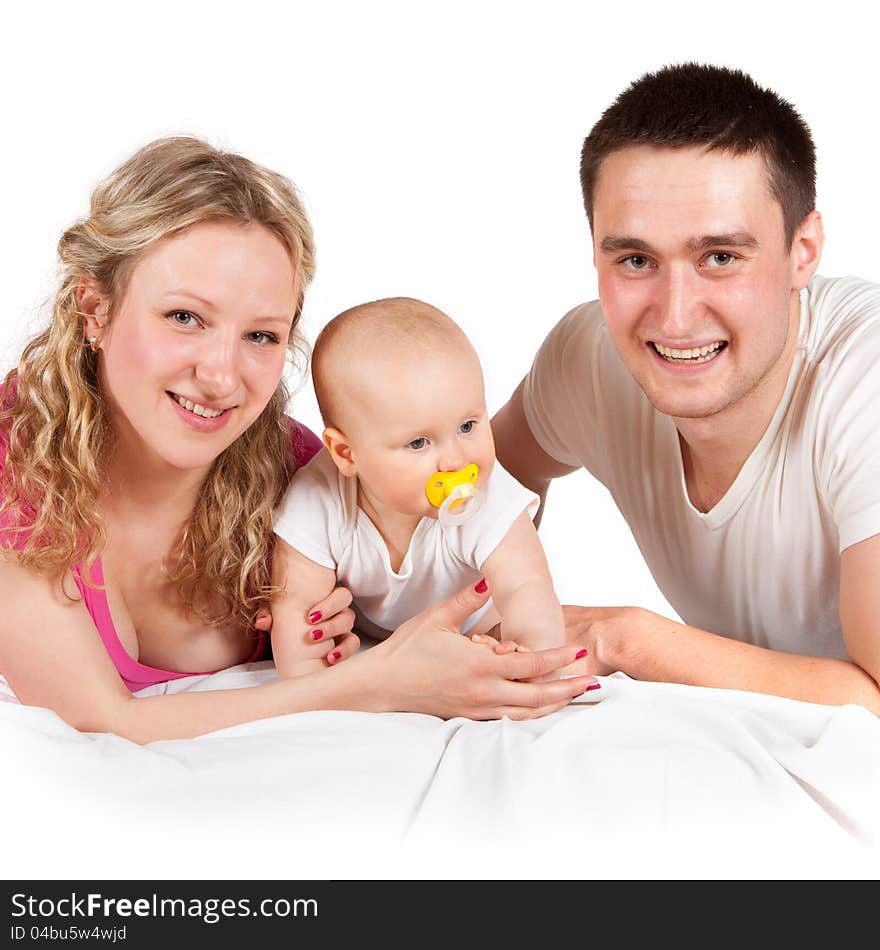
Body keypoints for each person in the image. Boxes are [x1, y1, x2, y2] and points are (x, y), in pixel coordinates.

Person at [0, 137, 595, 743]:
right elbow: (100, 719)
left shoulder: (304, 476)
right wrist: (373, 685)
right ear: (94, 309)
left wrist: (357, 642)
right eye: (185, 318)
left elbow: (432, 599)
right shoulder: (17, 468)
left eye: (260, 335)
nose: (222, 375)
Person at [492, 63, 880, 714]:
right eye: (636, 260)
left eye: (720, 257)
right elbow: (468, 485)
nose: (674, 318)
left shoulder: (865, 377)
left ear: (803, 252)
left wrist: (634, 642)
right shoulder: (587, 358)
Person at [268, 297, 588, 682]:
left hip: (478, 628)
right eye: (419, 443)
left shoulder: (487, 497)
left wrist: (528, 656)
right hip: (375, 642)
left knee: (503, 634)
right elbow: (297, 609)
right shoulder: (318, 498)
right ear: (346, 453)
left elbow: (526, 587)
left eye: (467, 426)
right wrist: (312, 687)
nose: (456, 460)